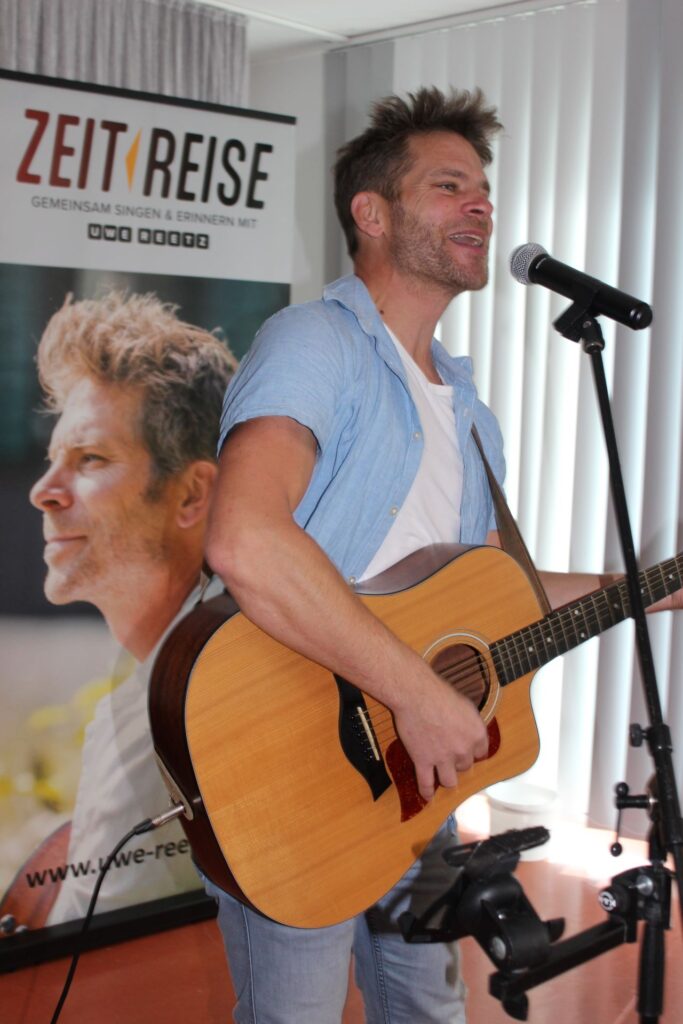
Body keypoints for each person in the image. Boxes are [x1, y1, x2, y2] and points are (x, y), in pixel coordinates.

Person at [204, 87, 682, 1023]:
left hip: (420, 788)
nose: (481, 206)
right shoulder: (316, 345)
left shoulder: (468, 413)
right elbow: (246, 538)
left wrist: (653, 591)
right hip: (301, 767)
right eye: (449, 185)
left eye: (485, 191)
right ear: (371, 213)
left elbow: (495, 595)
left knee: (431, 1015)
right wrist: (419, 694)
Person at [26, 290, 236, 925]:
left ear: (192, 494)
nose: (44, 492)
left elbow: (82, 977)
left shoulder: (172, 713)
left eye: (90, 459)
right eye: (52, 459)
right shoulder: (177, 660)